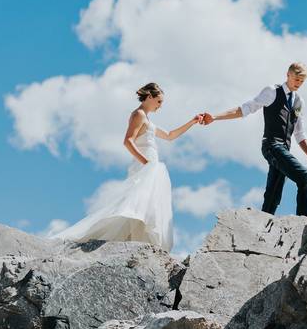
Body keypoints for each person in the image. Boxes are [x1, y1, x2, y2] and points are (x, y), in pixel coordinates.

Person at [53, 82, 208, 250]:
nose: (160, 106)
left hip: (151, 166)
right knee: (134, 207)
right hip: (145, 166)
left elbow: (170, 136)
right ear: (149, 97)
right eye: (159, 101)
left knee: (147, 208)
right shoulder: (139, 114)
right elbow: (128, 141)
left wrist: (192, 122)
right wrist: (147, 164)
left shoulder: (147, 119)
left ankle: (139, 245)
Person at [205, 62, 307, 216]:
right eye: (296, 79)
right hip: (272, 145)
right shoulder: (272, 91)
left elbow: (299, 133)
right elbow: (246, 109)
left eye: (302, 81)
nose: (298, 84)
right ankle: (304, 219)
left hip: (283, 149)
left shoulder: (299, 102)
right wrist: (214, 117)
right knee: (304, 178)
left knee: (273, 195)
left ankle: (262, 227)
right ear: (288, 75)